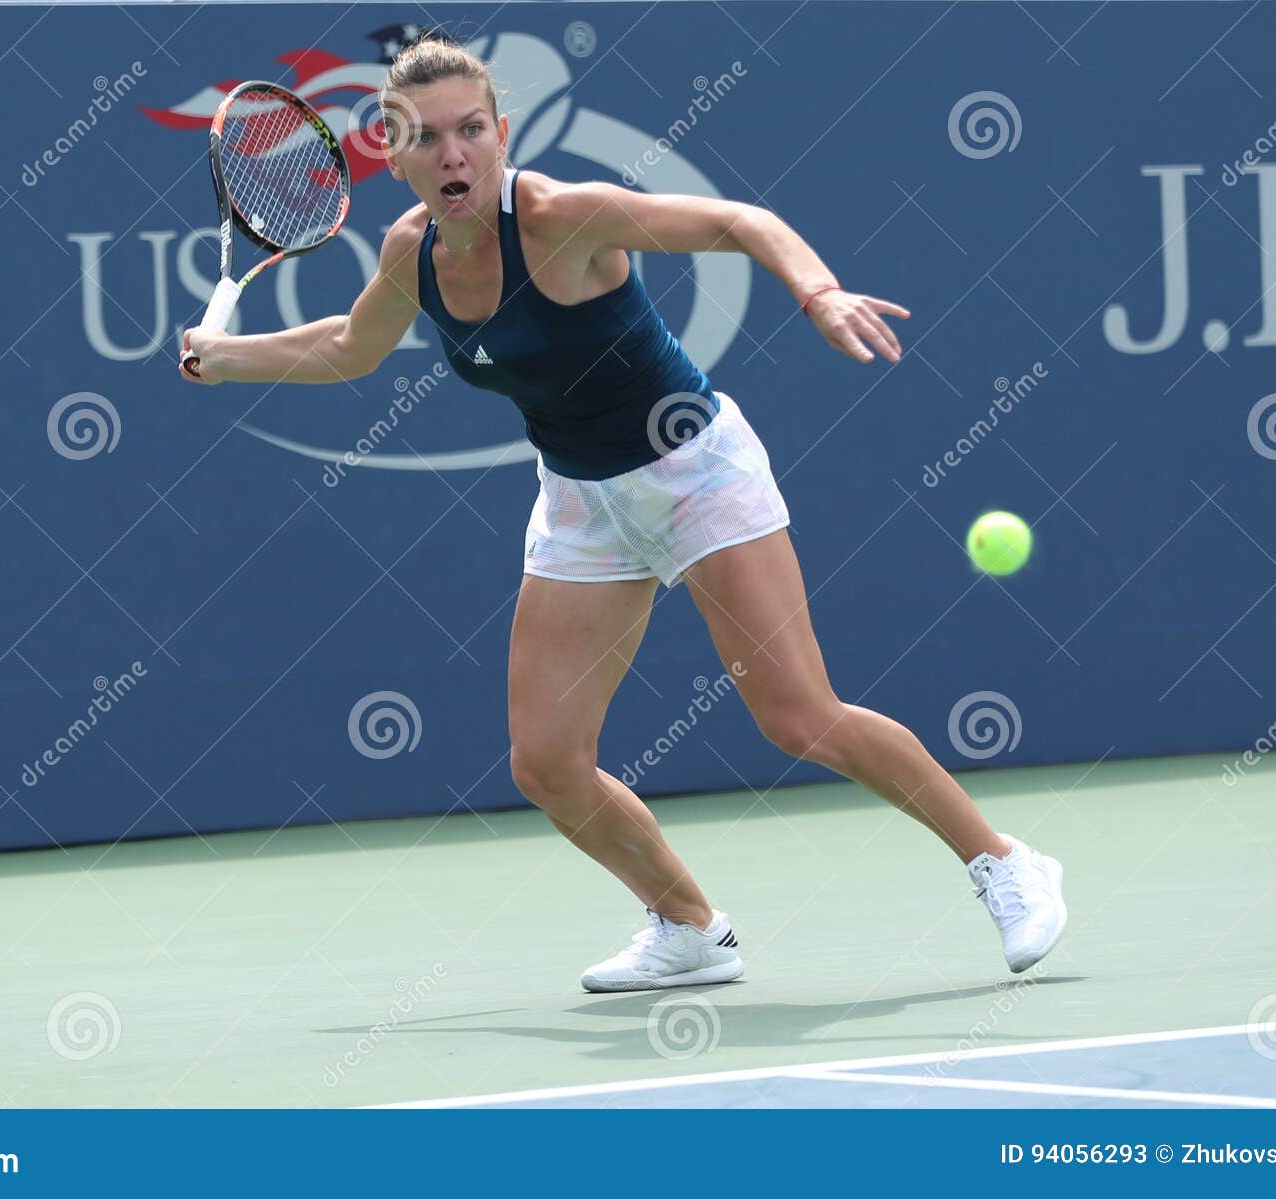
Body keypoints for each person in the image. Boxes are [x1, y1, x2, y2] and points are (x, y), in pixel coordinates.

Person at [180, 39, 1067, 991]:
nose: (454, 156)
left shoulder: (562, 216)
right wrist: (228, 358)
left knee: (799, 716)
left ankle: (1004, 861)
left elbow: (739, 221)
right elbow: (354, 347)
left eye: (472, 131)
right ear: (391, 155)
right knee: (549, 763)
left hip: (694, 472)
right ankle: (688, 927)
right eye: (427, 139)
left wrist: (813, 289)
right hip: (580, 500)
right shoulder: (412, 253)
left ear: (501, 135)